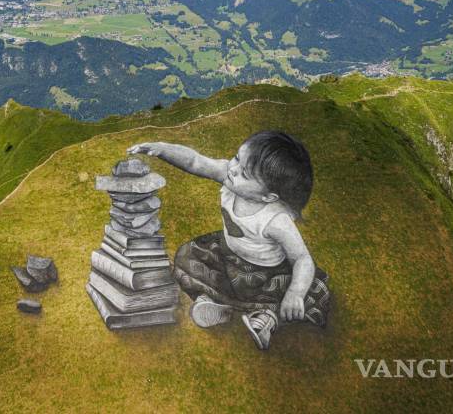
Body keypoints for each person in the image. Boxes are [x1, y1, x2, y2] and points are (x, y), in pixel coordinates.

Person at [127, 131, 331, 350]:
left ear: (268, 197)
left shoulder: (276, 220)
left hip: (263, 275)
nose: (232, 169)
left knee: (293, 295)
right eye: (236, 158)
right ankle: (211, 305)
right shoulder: (229, 176)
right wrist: (162, 148)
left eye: (244, 173)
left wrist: (295, 293)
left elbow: (302, 258)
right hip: (227, 255)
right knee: (187, 254)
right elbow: (195, 161)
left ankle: (266, 319)